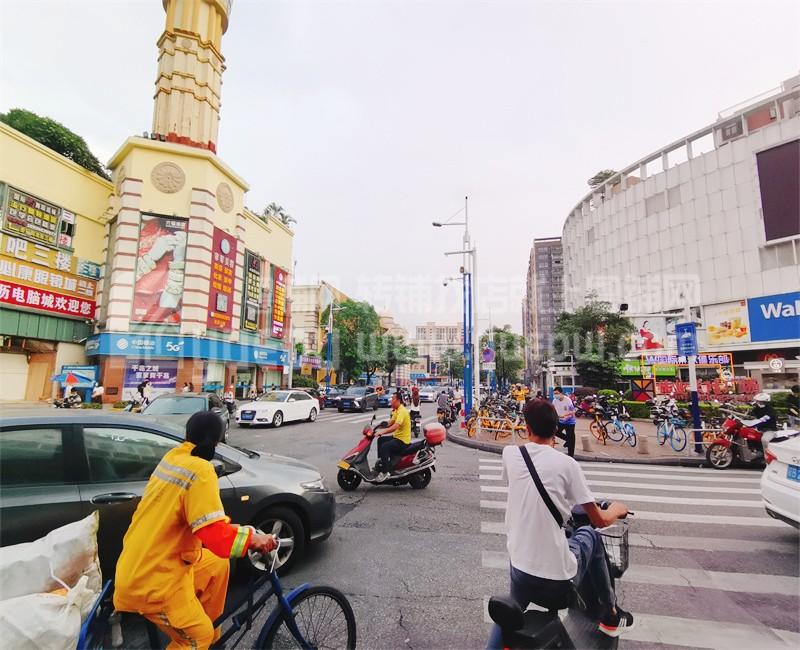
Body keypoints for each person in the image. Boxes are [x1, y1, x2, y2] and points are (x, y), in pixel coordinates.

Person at [114, 412, 277, 649]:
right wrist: (253, 540)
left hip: (145, 562)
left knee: (217, 565)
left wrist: (244, 533)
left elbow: (202, 525)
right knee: (198, 636)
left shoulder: (174, 457)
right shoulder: (201, 470)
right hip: (154, 582)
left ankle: (212, 641)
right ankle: (202, 640)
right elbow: (216, 537)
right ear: (217, 442)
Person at [486, 400, 633, 648]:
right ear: (556, 429)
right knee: (591, 534)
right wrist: (617, 509)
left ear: (526, 427)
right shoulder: (567, 464)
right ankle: (610, 614)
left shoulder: (510, 454)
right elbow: (599, 520)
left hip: (520, 571)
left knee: (508, 615)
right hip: (558, 584)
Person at [373, 392, 412, 480]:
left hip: (403, 441)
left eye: (393, 399)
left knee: (385, 447)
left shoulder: (402, 411)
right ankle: (383, 463)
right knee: (381, 440)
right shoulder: (397, 410)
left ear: (398, 400)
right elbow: (391, 422)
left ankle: (386, 472)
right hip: (397, 437)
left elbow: (395, 426)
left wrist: (382, 432)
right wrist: (378, 426)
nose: (391, 401)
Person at [552, 386, 577, 457]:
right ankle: (568, 440)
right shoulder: (554, 401)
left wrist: (566, 416)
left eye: (557, 393)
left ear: (561, 393)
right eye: (554, 393)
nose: (555, 395)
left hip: (570, 422)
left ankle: (571, 456)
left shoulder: (567, 400)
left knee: (571, 437)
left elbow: (573, 411)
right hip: (561, 421)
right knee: (555, 432)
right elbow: (552, 410)